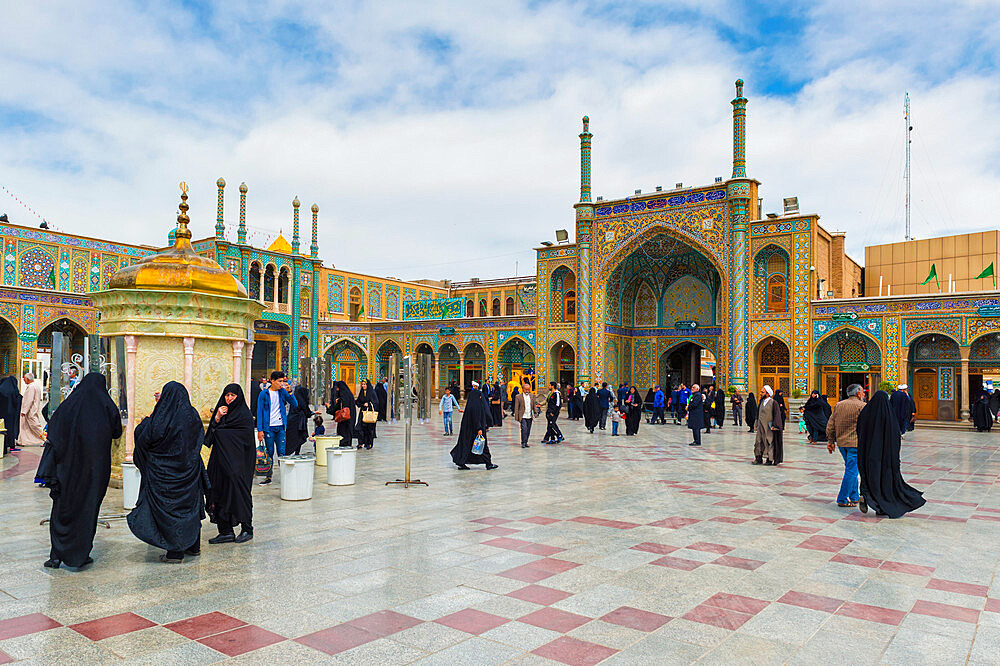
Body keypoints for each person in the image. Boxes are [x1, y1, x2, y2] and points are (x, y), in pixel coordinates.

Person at [36, 373, 122, 569]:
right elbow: (117, 431)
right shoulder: (106, 405)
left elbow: (52, 422)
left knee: (62, 508)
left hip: (66, 470)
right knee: (87, 509)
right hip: (94, 472)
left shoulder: (70, 405)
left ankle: (55, 556)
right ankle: (79, 555)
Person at [127, 382, 206, 563]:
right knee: (189, 509)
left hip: (164, 474)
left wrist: (147, 420)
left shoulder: (161, 416)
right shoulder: (192, 415)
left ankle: (175, 553)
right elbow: (199, 438)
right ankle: (193, 546)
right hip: (189, 472)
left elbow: (145, 437)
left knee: (169, 511)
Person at [856, 390, 926, 518]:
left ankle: (867, 497)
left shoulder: (865, 414)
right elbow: (895, 438)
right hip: (886, 456)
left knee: (869, 476)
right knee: (886, 479)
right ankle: (883, 505)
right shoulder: (889, 416)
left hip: (867, 454)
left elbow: (859, 431)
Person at [205, 383, 255, 545]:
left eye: (233, 395)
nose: (229, 398)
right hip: (219, 462)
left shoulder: (244, 416)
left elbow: (244, 440)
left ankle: (247, 528)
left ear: (238, 397)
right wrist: (217, 418)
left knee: (239, 492)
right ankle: (225, 531)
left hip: (238, 464)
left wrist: (221, 431)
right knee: (218, 492)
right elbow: (209, 439)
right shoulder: (221, 413)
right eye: (227, 395)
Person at [825, 383, 864, 508]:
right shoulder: (862, 406)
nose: (863, 394)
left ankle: (854, 496)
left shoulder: (838, 405)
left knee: (850, 468)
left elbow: (830, 424)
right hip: (855, 444)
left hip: (842, 443)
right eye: (862, 392)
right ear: (858, 393)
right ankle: (842, 498)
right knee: (852, 470)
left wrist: (830, 441)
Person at [255, 371, 297, 485]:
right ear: (272, 381)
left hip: (280, 427)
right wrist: (260, 430)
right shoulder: (264, 394)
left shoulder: (282, 392)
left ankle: (285, 476)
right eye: (279, 381)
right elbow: (259, 411)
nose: (281, 383)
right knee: (269, 452)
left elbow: (295, 404)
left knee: (282, 453)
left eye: (282, 381)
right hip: (268, 427)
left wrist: (289, 391)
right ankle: (268, 477)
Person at [450, 381, 497, 469]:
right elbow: (476, 418)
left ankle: (461, 461)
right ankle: (488, 463)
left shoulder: (470, 405)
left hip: (468, 430)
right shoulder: (476, 406)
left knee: (466, 445)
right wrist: (479, 428)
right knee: (483, 446)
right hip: (476, 429)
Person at [753, 385, 783, 465]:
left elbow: (777, 414)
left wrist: (775, 425)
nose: (760, 393)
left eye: (762, 392)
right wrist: (756, 423)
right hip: (760, 426)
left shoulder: (773, 403)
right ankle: (758, 457)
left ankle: (769, 459)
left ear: (768, 393)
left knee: (769, 441)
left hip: (769, 426)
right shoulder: (761, 402)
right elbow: (758, 413)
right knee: (758, 441)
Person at [17, 372, 45, 447]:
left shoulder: (31, 387)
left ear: (27, 379)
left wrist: (24, 411)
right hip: (32, 409)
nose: (24, 380)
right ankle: (21, 440)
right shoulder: (35, 386)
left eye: (24, 379)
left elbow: (29, 400)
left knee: (35, 425)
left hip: (30, 411)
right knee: (25, 425)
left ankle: (46, 438)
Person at [285, 385, 313, 456]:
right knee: (298, 438)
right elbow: (306, 411)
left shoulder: (296, 399)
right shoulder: (302, 401)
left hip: (293, 422)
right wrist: (311, 413)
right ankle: (295, 453)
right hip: (298, 423)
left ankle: (291, 453)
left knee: (293, 439)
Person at [326, 381, 356, 447]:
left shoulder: (343, 398)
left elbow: (336, 409)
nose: (336, 390)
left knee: (343, 438)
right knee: (348, 437)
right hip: (350, 421)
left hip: (344, 421)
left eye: (337, 388)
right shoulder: (350, 396)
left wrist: (329, 408)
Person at [355, 379, 378, 449]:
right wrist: (362, 404)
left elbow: (376, 403)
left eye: (365, 384)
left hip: (370, 413)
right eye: (362, 384)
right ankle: (360, 443)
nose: (363, 386)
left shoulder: (372, 392)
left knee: (369, 429)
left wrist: (369, 405)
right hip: (363, 413)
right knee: (360, 428)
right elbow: (358, 402)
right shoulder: (362, 392)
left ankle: (369, 443)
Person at [513, 379, 534, 448]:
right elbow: (516, 407)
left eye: (528, 389)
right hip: (523, 416)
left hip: (529, 415)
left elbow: (533, 405)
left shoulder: (532, 396)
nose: (527, 391)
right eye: (526, 390)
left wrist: (535, 413)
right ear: (523, 389)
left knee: (528, 430)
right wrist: (517, 416)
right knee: (524, 429)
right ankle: (523, 442)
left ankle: (526, 441)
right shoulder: (518, 397)